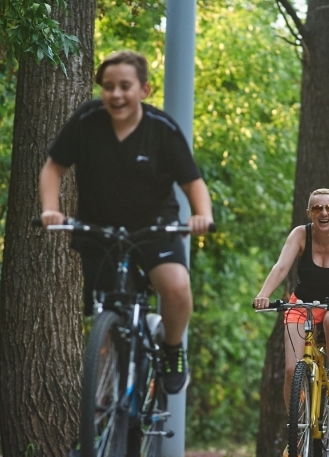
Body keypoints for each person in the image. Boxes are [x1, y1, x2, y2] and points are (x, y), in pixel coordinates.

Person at [38, 50, 214, 395]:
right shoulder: (87, 120)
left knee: (176, 287)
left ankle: (172, 350)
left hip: (152, 225)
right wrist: (50, 209)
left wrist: (201, 216)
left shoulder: (161, 129)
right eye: (107, 86)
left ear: (144, 90)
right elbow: (53, 167)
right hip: (99, 228)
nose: (116, 94)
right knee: (104, 319)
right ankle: (99, 424)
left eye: (125, 86)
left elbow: (193, 183)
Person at [253, 188, 329, 457]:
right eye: (317, 209)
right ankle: (296, 435)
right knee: (292, 370)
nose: (324, 213)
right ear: (309, 213)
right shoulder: (300, 235)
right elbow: (281, 267)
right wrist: (263, 294)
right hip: (303, 305)